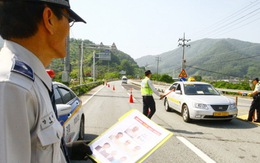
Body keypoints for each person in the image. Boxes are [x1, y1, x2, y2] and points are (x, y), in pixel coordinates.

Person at [0, 0, 92, 162]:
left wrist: (65, 152)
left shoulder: (32, 79)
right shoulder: (12, 85)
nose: (69, 32)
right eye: (68, 20)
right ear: (49, 18)